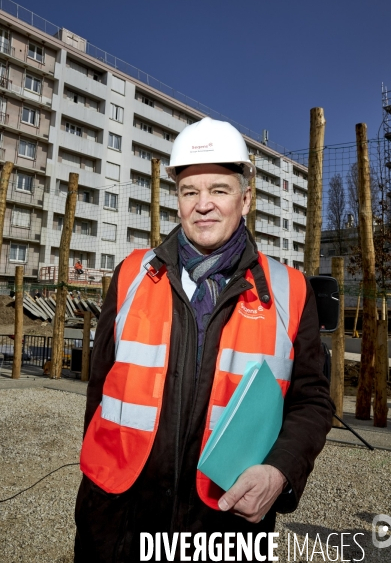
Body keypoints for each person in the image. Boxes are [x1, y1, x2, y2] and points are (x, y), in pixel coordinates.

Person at [74, 117, 334, 562]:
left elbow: (312, 401)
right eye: (190, 191)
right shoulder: (131, 277)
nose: (203, 205)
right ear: (177, 202)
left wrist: (279, 471)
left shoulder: (290, 291)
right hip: (120, 519)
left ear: (246, 198)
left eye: (219, 190)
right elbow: (100, 393)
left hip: (224, 524)